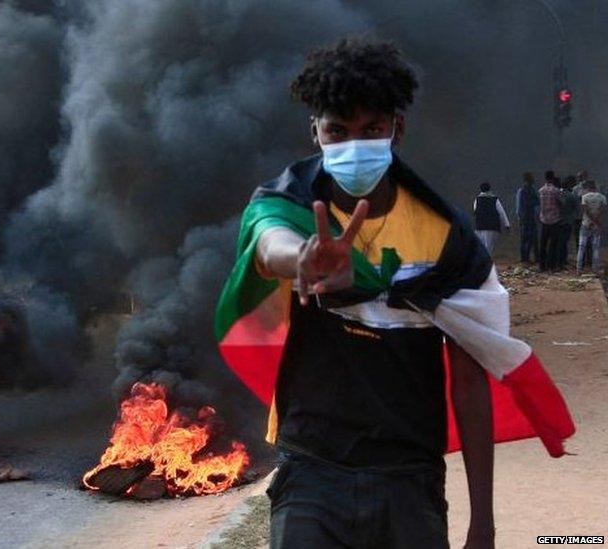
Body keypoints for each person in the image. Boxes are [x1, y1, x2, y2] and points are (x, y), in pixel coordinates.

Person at [215, 39, 573, 549]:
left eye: (371, 130)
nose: (353, 144)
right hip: (312, 471)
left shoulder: (447, 241)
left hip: (408, 476)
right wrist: (305, 259)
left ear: (396, 130)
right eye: (337, 130)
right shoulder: (289, 202)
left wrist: (483, 525)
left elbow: (469, 387)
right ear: (314, 132)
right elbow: (270, 240)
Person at [473, 182, 510, 256]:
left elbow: (475, 210)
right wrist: (507, 224)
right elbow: (501, 212)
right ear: (489, 189)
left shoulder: (477, 199)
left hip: (480, 226)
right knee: (489, 247)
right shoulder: (494, 199)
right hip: (492, 226)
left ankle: (482, 264)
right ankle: (487, 263)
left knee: (481, 247)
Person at [577, 180, 606, 274]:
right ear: (595, 187)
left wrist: (591, 220)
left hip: (586, 224)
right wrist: (596, 221)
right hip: (596, 225)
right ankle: (595, 269)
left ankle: (579, 269)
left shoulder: (584, 197)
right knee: (596, 247)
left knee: (582, 247)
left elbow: (585, 210)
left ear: (588, 187)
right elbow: (602, 210)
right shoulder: (602, 197)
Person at [538, 171, 562, 271]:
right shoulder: (555, 191)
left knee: (543, 243)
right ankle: (551, 265)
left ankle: (541, 266)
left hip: (544, 219)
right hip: (554, 219)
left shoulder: (541, 190)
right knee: (553, 243)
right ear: (552, 178)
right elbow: (560, 202)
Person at [515, 172, 540, 263]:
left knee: (529, 239)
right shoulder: (527, 191)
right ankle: (527, 258)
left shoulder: (524, 190)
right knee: (529, 239)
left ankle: (527, 258)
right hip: (527, 218)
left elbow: (519, 207)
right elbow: (535, 204)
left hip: (528, 218)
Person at [557, 176, 579, 269]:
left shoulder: (557, 193)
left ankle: (558, 260)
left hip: (556, 221)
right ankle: (563, 261)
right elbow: (576, 207)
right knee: (564, 242)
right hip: (567, 221)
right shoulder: (571, 195)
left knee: (558, 241)